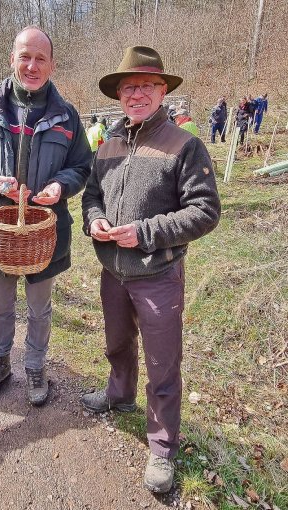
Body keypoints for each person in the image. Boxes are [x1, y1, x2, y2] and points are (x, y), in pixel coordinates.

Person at [81, 46, 221, 494]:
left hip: (158, 273)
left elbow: (205, 212)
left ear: (163, 90)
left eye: (145, 85)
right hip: (113, 271)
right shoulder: (109, 143)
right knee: (117, 343)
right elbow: (91, 194)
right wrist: (94, 219)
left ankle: (162, 446)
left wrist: (144, 232)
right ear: (119, 95)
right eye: (128, 87)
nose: (136, 94)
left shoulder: (185, 143)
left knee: (163, 364)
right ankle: (119, 396)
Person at [0, 26, 91, 406]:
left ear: (52, 65)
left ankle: (34, 366)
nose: (32, 65)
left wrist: (61, 185)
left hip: (46, 232)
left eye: (40, 58)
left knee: (40, 308)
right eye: (24, 56)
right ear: (12, 59)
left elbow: (82, 165)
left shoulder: (67, 116)